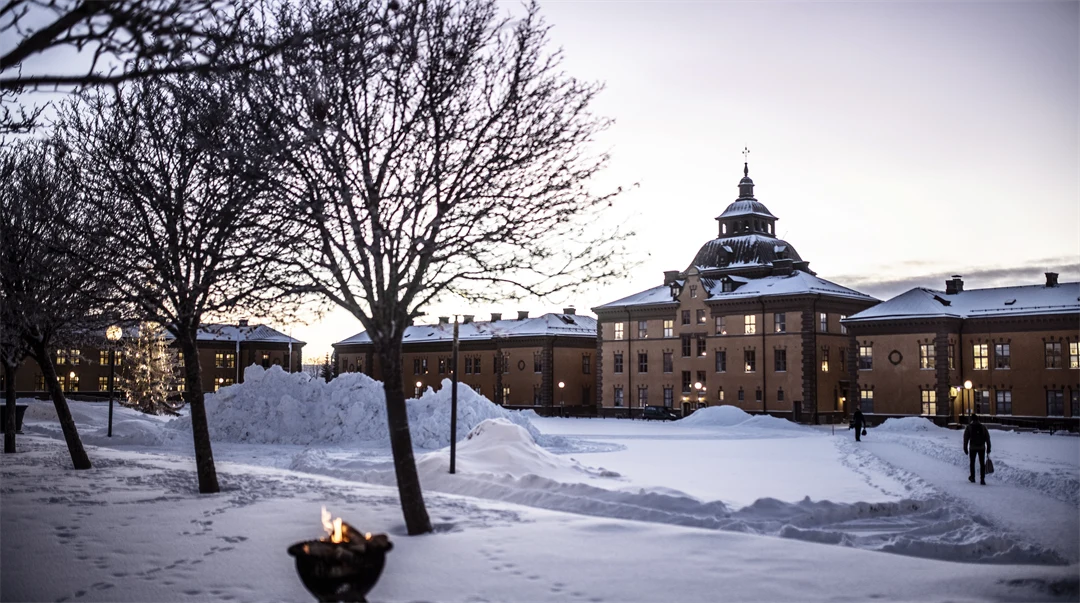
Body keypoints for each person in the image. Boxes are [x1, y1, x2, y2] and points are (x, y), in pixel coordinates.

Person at [963, 413, 991, 485]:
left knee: (972, 463)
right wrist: (988, 448)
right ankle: (982, 479)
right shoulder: (983, 427)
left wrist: (965, 448)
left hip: (973, 447)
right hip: (982, 447)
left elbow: (966, 438)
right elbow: (987, 438)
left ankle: (972, 477)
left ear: (972, 419)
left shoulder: (969, 427)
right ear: (978, 419)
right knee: (982, 463)